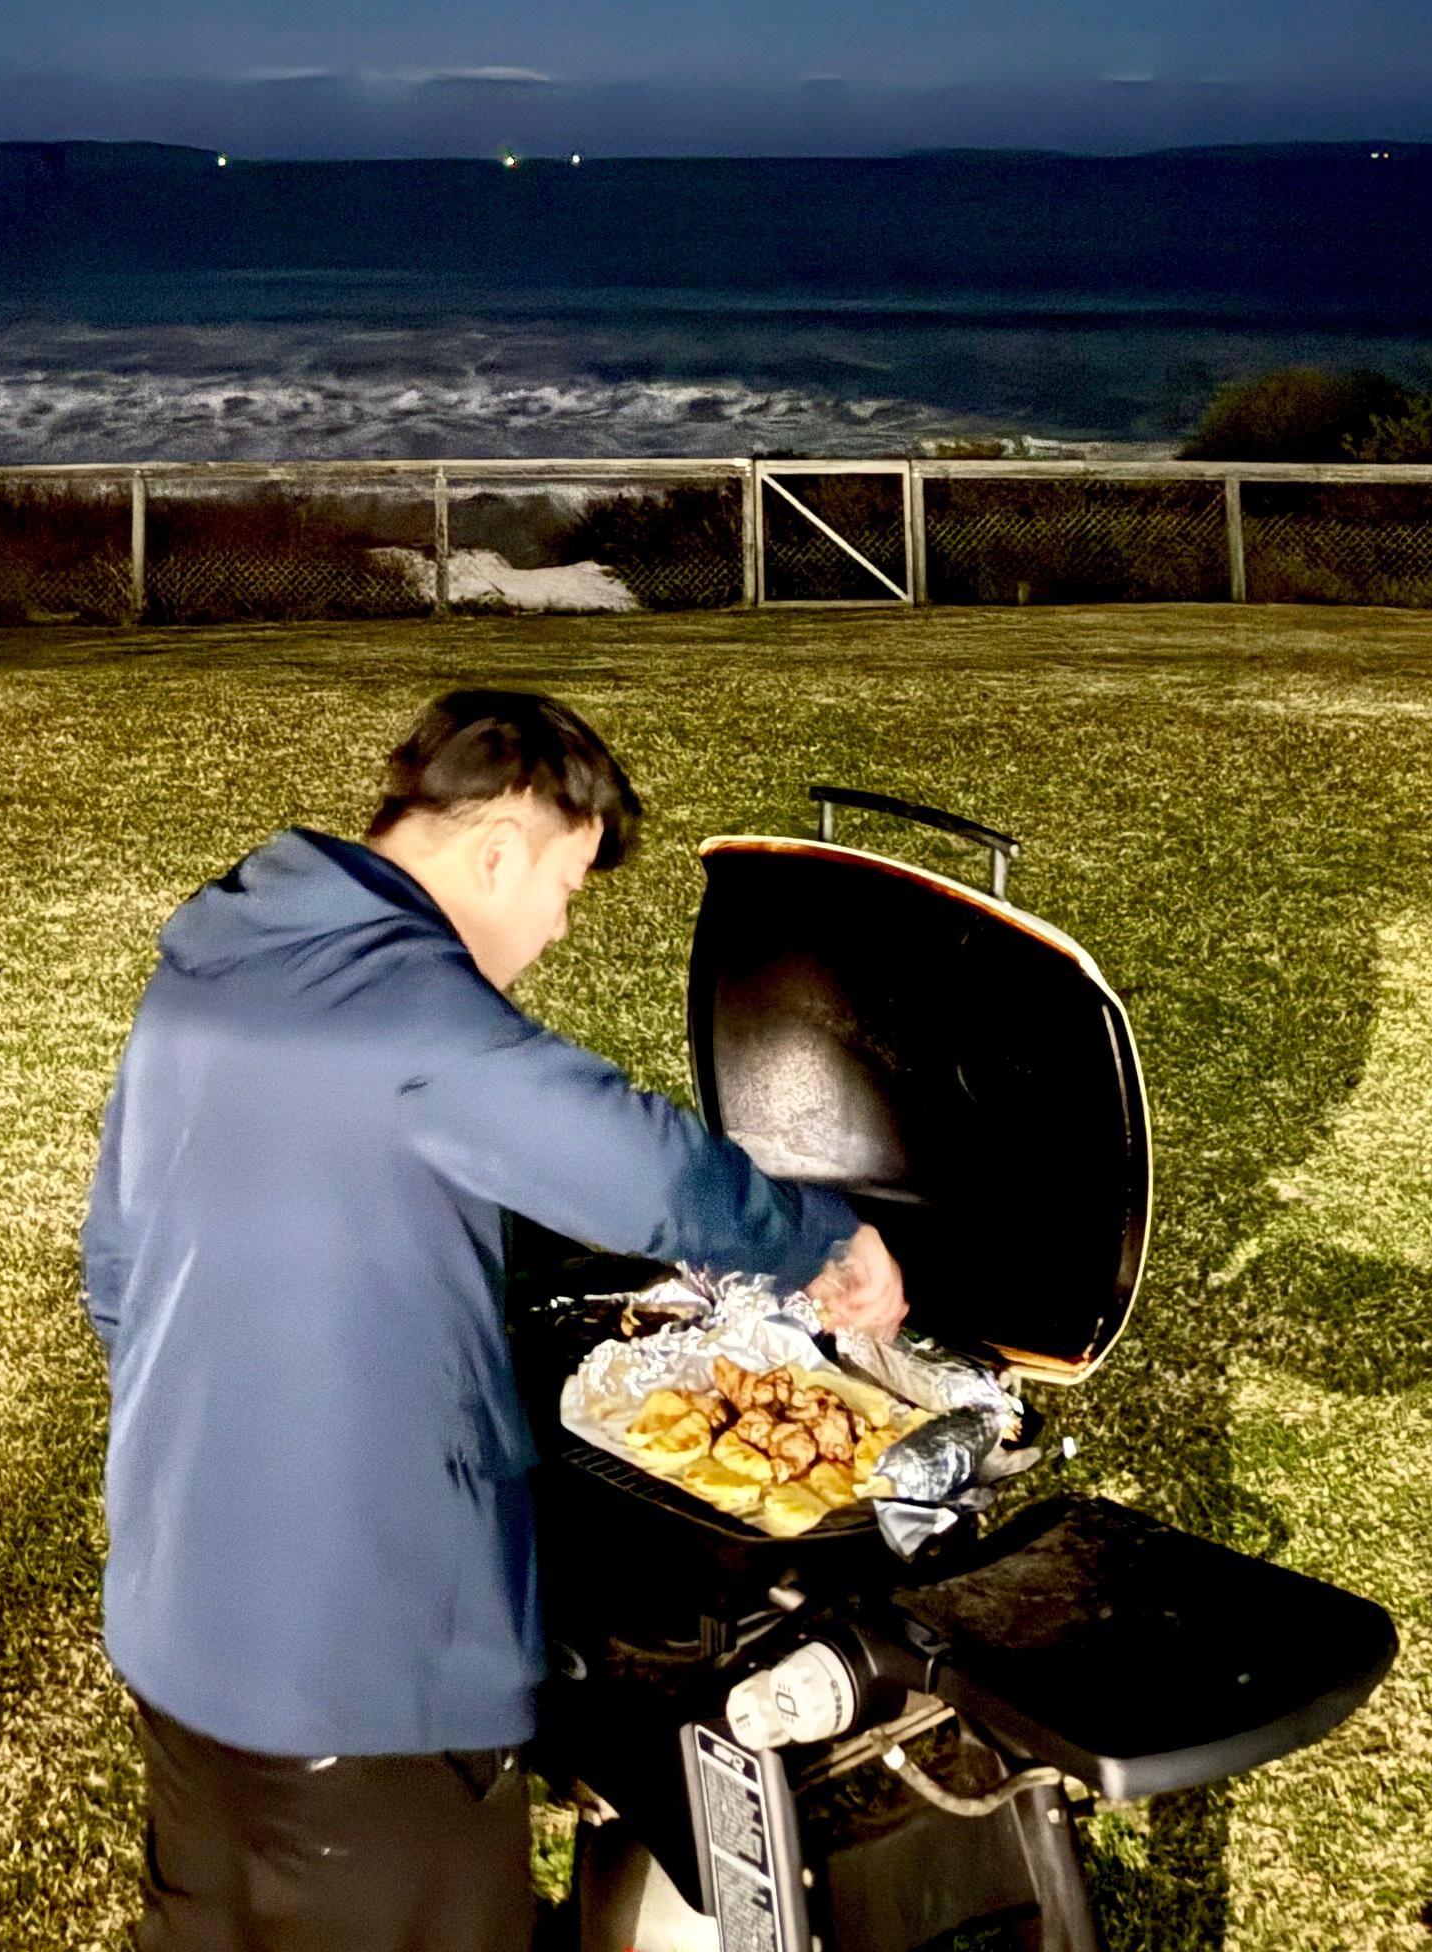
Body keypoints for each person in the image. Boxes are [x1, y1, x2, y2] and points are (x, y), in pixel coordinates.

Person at [80, 685, 906, 1952]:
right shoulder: (411, 1011)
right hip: (358, 1676)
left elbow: (118, 1271)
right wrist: (825, 1240)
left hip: (180, 1614)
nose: (559, 928)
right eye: (568, 888)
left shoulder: (219, 966)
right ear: (501, 845)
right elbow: (644, 1171)